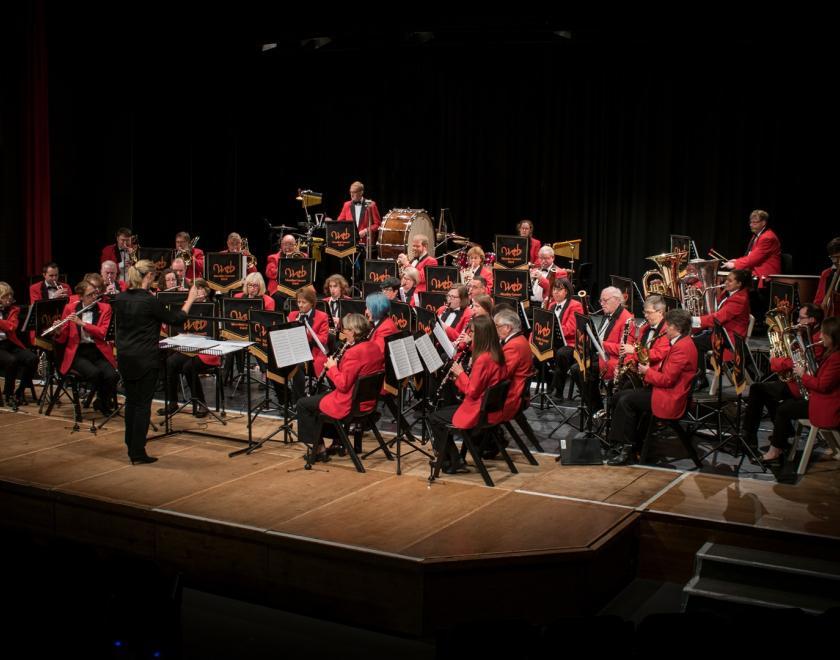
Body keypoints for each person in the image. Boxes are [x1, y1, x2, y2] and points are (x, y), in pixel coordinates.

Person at [111, 259, 199, 464]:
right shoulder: (148, 300)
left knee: (131, 401)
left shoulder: (121, 298)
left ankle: (131, 445)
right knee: (142, 404)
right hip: (144, 358)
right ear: (149, 276)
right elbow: (176, 319)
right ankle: (138, 452)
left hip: (125, 356)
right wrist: (190, 299)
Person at [607, 309, 697, 465]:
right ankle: (620, 442)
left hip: (669, 398)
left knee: (626, 400)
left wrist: (647, 372)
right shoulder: (681, 342)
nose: (665, 328)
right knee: (618, 396)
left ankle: (627, 448)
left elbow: (667, 380)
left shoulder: (682, 347)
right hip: (664, 391)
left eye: (668, 326)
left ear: (677, 328)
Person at [295, 313, 384, 462]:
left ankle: (319, 449)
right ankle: (338, 441)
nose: (343, 333)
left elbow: (342, 385)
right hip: (368, 402)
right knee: (318, 399)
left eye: (345, 330)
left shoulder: (354, 352)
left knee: (303, 404)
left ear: (353, 332)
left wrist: (332, 368)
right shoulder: (374, 347)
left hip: (349, 403)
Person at [429, 316, 507, 474]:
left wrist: (460, 373)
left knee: (434, 418)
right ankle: (452, 458)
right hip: (489, 407)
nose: (470, 336)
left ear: (482, 335)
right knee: (443, 412)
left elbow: (471, 391)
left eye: (472, 333)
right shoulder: (495, 352)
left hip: (476, 411)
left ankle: (451, 460)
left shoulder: (483, 359)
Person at [743, 304, 823, 451]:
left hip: (803, 387)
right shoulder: (806, 333)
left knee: (758, 390)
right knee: (763, 391)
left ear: (812, 319)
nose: (797, 320)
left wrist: (776, 361)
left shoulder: (817, 341)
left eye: (801, 317)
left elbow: (799, 361)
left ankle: (749, 437)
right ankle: (782, 433)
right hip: (796, 381)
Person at [760, 316, 840, 463]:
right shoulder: (832, 353)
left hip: (826, 407)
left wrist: (803, 375)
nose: (820, 336)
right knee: (784, 405)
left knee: (784, 409)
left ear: (833, 336)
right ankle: (780, 442)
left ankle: (775, 449)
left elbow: (822, 385)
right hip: (820, 399)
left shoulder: (836, 358)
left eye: (824, 334)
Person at [54, 280, 118, 415]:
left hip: (97, 350)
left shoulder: (104, 308)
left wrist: (83, 324)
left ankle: (101, 401)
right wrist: (58, 331)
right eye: (90, 295)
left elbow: (103, 333)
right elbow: (63, 337)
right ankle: (103, 403)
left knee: (112, 375)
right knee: (95, 374)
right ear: (81, 297)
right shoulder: (70, 309)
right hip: (78, 352)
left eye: (95, 293)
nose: (94, 297)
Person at [159, 279, 219, 419]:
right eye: (194, 289)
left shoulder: (213, 307)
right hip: (189, 346)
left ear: (206, 291)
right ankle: (173, 402)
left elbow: (214, 333)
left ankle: (201, 402)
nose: (197, 292)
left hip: (207, 348)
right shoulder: (186, 307)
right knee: (170, 362)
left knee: (188, 367)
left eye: (200, 289)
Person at [691, 269, 752, 391]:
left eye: (730, 281)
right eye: (726, 280)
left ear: (739, 284)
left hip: (730, 339)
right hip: (723, 332)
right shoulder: (734, 293)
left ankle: (700, 379)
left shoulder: (739, 299)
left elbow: (718, 318)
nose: (726, 282)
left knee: (694, 343)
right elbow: (719, 311)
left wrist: (693, 320)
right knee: (695, 338)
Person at [722, 209, 781, 326]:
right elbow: (751, 255)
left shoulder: (767, 237)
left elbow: (755, 258)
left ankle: (751, 320)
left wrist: (735, 264)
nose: (751, 224)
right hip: (755, 270)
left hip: (765, 274)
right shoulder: (757, 236)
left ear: (763, 222)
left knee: (737, 282)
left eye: (755, 222)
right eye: (750, 222)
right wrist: (737, 260)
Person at [287, 285, 330, 399]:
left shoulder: (322, 316)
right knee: (274, 363)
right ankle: (284, 397)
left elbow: (323, 339)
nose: (300, 305)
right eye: (298, 302)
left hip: (313, 353)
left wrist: (305, 333)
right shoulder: (292, 315)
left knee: (297, 366)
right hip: (294, 351)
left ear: (311, 303)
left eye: (304, 302)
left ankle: (299, 400)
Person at [0, 282, 37, 409]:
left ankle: (20, 391)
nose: (10, 298)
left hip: (10, 343)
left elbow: (12, 326)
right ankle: (8, 394)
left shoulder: (14, 309)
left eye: (11, 295)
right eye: (6, 296)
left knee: (32, 358)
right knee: (12, 361)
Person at [494, 308, 532, 422]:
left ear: (507, 327)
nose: (495, 329)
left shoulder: (513, 346)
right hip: (513, 391)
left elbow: (501, 375)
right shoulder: (520, 339)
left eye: (497, 326)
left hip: (509, 398)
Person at [547, 278, 583, 397]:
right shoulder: (551, 305)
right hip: (554, 342)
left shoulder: (576, 305)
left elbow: (571, 329)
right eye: (554, 289)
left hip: (570, 344)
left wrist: (551, 330)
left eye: (559, 289)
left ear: (566, 291)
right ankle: (548, 386)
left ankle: (558, 391)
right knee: (536, 355)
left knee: (561, 354)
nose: (555, 292)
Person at [336, 181, 382, 250]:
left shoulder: (371, 205)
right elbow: (339, 222)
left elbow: (377, 224)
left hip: (366, 244)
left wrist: (366, 231)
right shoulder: (347, 205)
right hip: (349, 242)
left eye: (354, 192)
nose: (351, 195)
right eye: (351, 192)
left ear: (361, 192)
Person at [814, 236, 840, 317]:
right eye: (833, 257)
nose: (837, 261)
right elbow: (818, 301)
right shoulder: (826, 273)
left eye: (839, 257)